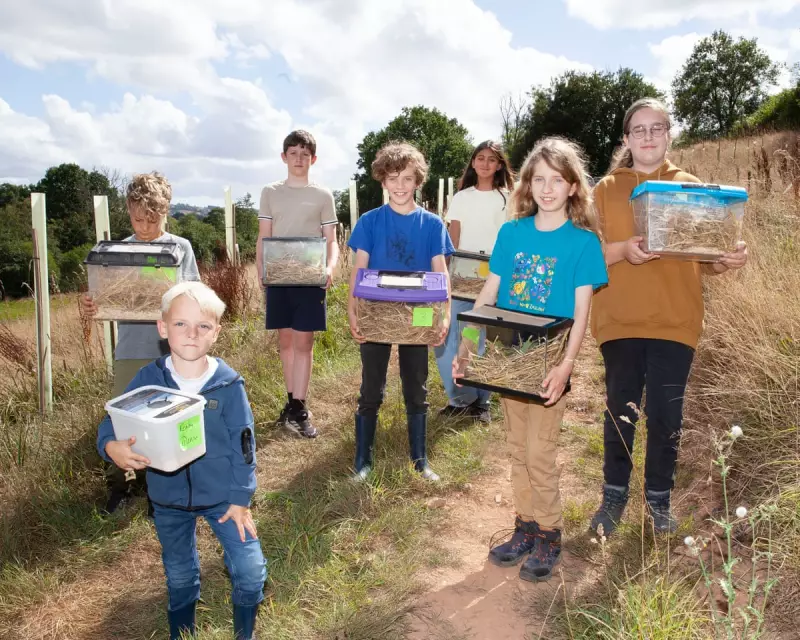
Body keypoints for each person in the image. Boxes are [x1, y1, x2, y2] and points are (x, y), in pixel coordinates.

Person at [589, 98, 748, 536]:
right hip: (619, 318)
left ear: (669, 133)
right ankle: (613, 497)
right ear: (626, 139)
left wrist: (725, 261)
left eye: (656, 128)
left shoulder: (692, 187)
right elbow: (585, 256)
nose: (647, 137)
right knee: (621, 411)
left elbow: (704, 257)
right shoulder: (605, 190)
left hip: (676, 320)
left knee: (666, 417)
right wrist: (624, 251)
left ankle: (659, 500)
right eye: (638, 130)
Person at [454, 137, 607, 582]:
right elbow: (488, 293)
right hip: (509, 356)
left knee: (541, 452)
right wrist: (467, 345)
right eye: (538, 179)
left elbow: (582, 313)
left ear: (573, 187)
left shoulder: (583, 243)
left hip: (548, 361)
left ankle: (549, 534)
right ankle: (524, 527)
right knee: (517, 448)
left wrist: (566, 367)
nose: (546, 188)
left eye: (556, 180)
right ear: (525, 185)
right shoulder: (512, 233)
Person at [96, 282, 267, 640]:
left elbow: (245, 446)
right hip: (168, 499)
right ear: (162, 328)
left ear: (216, 332)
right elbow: (112, 421)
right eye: (180, 324)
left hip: (224, 497)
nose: (192, 334)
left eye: (203, 326)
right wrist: (111, 446)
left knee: (251, 570)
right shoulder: (149, 381)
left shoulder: (228, 385)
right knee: (179, 574)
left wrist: (240, 499)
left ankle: (245, 632)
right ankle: (182, 632)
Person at [81, 171, 200, 514]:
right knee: (121, 416)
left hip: (169, 351)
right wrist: (93, 304)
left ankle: (158, 489)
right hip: (131, 347)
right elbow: (103, 295)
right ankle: (120, 484)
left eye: (152, 219)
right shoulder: (119, 252)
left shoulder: (180, 248)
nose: (145, 227)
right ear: (128, 213)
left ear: (166, 212)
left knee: (167, 415)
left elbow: (193, 295)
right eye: (137, 219)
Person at [347, 141, 454, 482]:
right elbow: (359, 269)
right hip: (376, 312)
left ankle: (419, 460)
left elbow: (441, 273)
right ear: (382, 179)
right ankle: (363, 461)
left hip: (417, 314)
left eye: (407, 178)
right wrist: (353, 309)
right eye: (393, 177)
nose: (400, 185)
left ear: (418, 181)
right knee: (371, 386)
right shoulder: (369, 222)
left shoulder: (433, 225)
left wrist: (446, 315)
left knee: (416, 385)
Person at [257, 130, 339, 439]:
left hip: (310, 277)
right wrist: (261, 269)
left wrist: (330, 267)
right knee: (286, 343)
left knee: (304, 343)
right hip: (279, 276)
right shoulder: (270, 192)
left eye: (305, 154)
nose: (299, 159)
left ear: (313, 159)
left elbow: (331, 241)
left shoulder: (322, 195)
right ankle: (290, 403)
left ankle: (300, 407)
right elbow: (264, 234)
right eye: (293, 153)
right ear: (284, 157)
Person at [434, 140, 515, 423]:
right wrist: (444, 273)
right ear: (472, 162)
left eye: (491, 159)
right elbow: (453, 238)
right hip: (461, 275)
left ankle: (483, 401)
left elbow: (511, 240)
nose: (484, 163)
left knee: (479, 336)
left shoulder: (509, 198)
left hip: (493, 277)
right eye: (479, 158)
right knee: (450, 336)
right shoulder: (461, 198)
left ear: (500, 165)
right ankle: (460, 397)